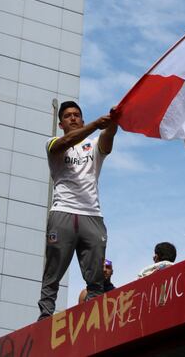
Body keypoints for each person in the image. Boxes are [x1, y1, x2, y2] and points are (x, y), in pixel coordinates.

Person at [38, 101, 118, 320]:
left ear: (81, 119)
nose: (73, 118)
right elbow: (66, 141)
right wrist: (95, 124)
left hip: (92, 215)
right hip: (63, 211)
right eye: (67, 116)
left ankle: (93, 316)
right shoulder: (53, 143)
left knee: (96, 277)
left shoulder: (93, 146)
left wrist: (113, 121)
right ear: (61, 124)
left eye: (76, 115)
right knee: (53, 271)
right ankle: (45, 315)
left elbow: (108, 138)